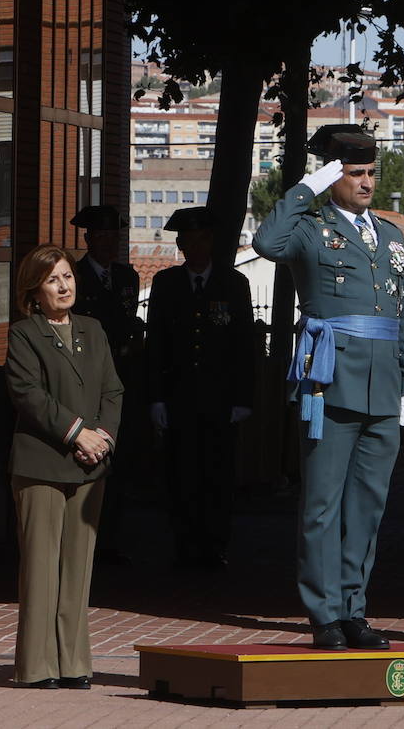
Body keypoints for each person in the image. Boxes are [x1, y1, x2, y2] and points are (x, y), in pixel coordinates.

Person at [252, 124, 404, 651]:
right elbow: (266, 242)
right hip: (330, 381)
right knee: (322, 506)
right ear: (333, 177)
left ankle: (354, 607)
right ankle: (324, 612)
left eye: (371, 172)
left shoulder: (390, 235)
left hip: (383, 387)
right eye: (354, 173)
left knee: (367, 507)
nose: (366, 182)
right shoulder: (310, 226)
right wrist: (306, 188)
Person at [4, 243, 123, 689]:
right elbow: (29, 396)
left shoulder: (92, 329)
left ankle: (73, 663)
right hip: (41, 465)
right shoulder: (23, 334)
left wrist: (102, 439)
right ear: (34, 291)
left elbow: (113, 391)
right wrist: (78, 433)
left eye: (68, 276)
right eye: (53, 279)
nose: (64, 285)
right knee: (41, 567)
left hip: (90, 466)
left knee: (78, 568)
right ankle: (36, 666)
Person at [145, 206, 255, 568]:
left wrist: (242, 398)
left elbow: (243, 344)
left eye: (199, 240)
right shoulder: (166, 283)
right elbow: (157, 342)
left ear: (210, 242)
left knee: (217, 474)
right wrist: (156, 397)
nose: (192, 248)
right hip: (179, 398)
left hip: (219, 399)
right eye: (186, 242)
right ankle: (185, 541)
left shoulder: (233, 283)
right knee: (181, 473)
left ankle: (215, 543)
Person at [69, 205, 145, 565]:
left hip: (120, 376)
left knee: (120, 461)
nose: (108, 243)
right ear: (88, 239)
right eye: (101, 236)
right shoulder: (76, 275)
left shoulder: (127, 276)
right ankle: (86, 539)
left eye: (114, 237)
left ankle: (111, 537)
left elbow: (128, 321)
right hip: (88, 377)